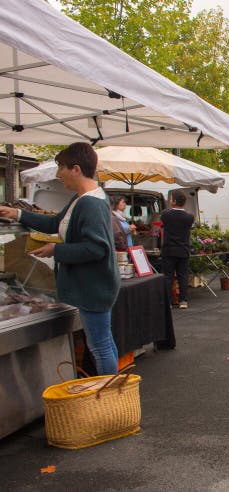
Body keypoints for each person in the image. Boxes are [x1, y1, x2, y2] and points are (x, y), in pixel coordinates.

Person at [0, 143, 120, 375]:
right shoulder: (81, 198)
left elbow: (96, 249)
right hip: (92, 287)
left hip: (93, 288)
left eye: (61, 168)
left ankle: (108, 399)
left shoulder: (91, 203)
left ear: (76, 169)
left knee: (100, 346)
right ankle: (112, 393)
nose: (57, 174)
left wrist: (56, 251)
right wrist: (17, 213)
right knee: (104, 342)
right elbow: (54, 223)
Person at [160, 190, 195, 309]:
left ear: (174, 201)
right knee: (183, 276)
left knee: (168, 276)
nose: (170, 201)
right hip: (183, 249)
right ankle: (183, 300)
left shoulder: (166, 214)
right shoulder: (189, 217)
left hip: (169, 250)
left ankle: (168, 302)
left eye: (171, 199)